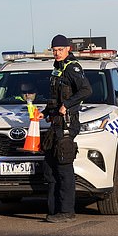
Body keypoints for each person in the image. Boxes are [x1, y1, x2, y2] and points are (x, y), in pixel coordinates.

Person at [42, 34, 92, 223]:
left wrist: (68, 105)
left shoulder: (72, 68)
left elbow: (86, 90)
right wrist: (45, 111)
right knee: (50, 168)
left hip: (67, 124)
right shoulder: (57, 69)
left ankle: (67, 211)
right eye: (54, 50)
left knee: (64, 168)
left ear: (68, 49)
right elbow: (55, 97)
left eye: (60, 50)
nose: (56, 53)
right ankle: (55, 210)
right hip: (54, 124)